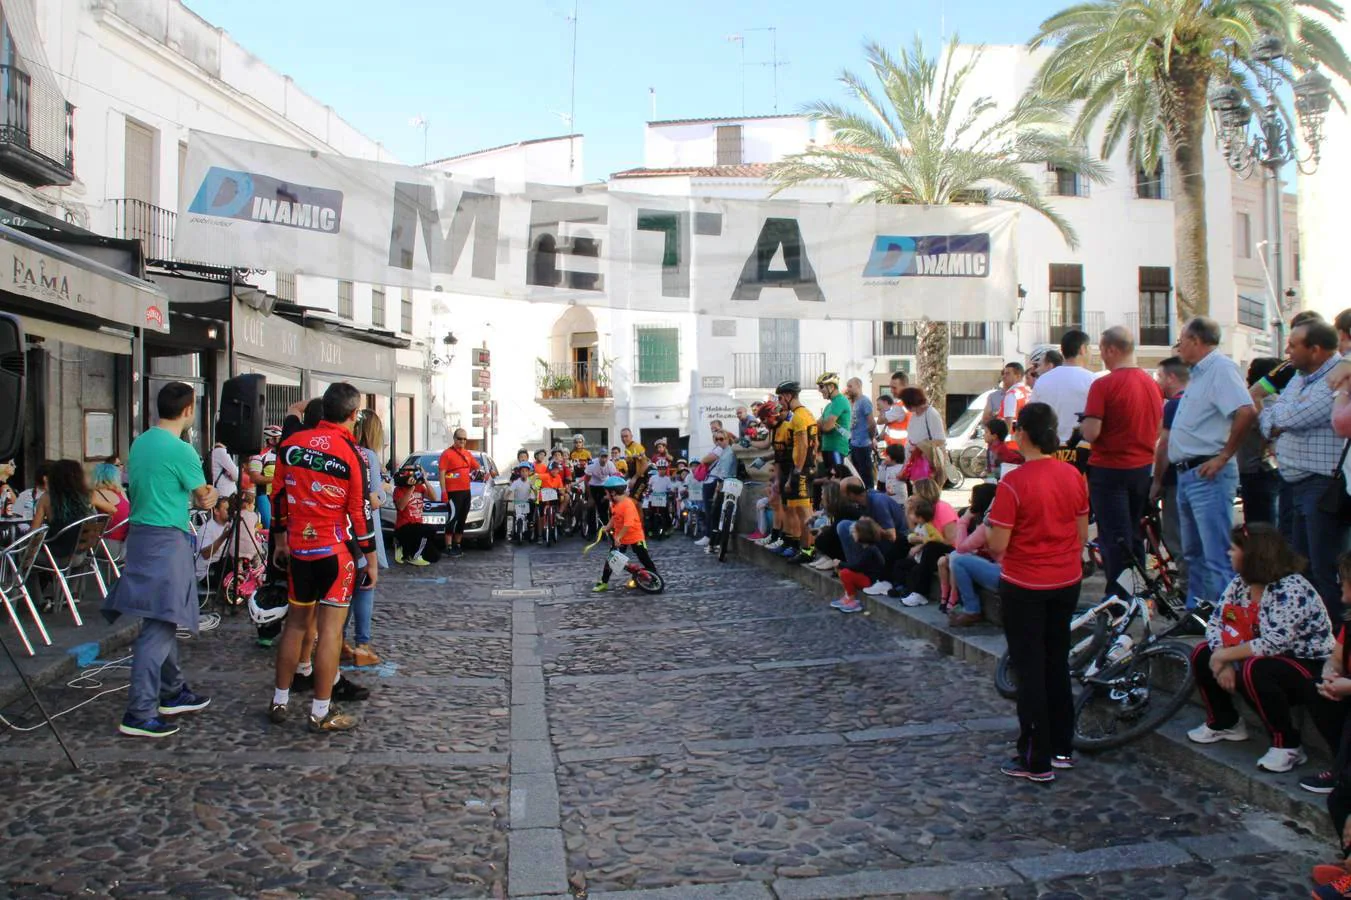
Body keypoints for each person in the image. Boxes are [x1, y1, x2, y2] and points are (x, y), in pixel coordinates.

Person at [101, 382, 217, 738]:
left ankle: (172, 691)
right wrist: (211, 494)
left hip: (141, 535)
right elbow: (203, 498)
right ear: (188, 410)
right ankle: (139, 711)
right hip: (168, 538)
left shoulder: (141, 442)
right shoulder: (182, 450)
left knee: (160, 616)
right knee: (162, 624)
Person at [985, 401, 1090, 781]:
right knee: (1056, 662)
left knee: (1029, 670)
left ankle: (1036, 757)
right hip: (1066, 581)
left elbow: (998, 544)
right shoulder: (1073, 475)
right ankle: (1063, 747)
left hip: (1026, 583)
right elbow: (1081, 534)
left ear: (1022, 433)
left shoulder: (1013, 482)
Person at [269, 382, 378, 734]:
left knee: (296, 626)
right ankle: (320, 710)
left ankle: (279, 700)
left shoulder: (290, 445)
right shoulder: (352, 454)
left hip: (299, 550)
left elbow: (279, 497)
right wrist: (371, 560)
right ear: (352, 415)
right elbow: (359, 513)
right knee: (330, 632)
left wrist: (282, 540)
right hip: (334, 551)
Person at [1186, 523, 1335, 773]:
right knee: (1203, 652)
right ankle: (1225, 722)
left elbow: (1275, 641)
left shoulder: (1291, 588)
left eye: (1234, 549)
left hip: (1304, 664)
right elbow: (1216, 621)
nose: (1229, 553)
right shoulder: (1239, 584)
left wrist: (1224, 656)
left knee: (1255, 668)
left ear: (1253, 555)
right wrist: (1221, 659)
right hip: (1257, 655)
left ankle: (1287, 744)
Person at [1257, 320, 1346, 620]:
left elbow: (1294, 417)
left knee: (1323, 567)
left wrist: (1279, 418)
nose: (1287, 350)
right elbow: (1273, 416)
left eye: (1293, 345)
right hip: (1294, 484)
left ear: (1316, 350)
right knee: (1299, 564)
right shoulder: (1298, 376)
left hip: (1321, 486)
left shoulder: (1334, 378)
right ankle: (1306, 629)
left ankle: (1333, 640)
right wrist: (1279, 418)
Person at [1169, 317, 1257, 607]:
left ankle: (1226, 620)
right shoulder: (1199, 374)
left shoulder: (1220, 369)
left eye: (1182, 340)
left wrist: (1223, 456)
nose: (1178, 346)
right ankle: (1200, 613)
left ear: (1196, 340)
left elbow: (1245, 410)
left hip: (1208, 474)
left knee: (1215, 553)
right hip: (1189, 473)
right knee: (1194, 552)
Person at [1079, 325, 1163, 597]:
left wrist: (1081, 428)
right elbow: (1159, 426)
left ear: (1111, 350)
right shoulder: (1152, 384)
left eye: (1102, 350)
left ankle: (1118, 597)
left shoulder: (1103, 385)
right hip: (1142, 468)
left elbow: (1092, 432)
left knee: (1114, 537)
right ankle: (1139, 589)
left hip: (1109, 468)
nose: (1101, 356)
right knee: (1134, 532)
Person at [348, 409, 388, 667]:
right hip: (364, 531)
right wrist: (385, 491)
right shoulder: (368, 456)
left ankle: (338, 641)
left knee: (343, 593)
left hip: (342, 531)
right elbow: (372, 500)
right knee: (365, 587)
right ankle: (362, 644)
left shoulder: (344, 451)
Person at [1149, 355, 1192, 595]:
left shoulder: (1175, 405)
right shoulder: (1197, 400)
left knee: (1176, 536)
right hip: (1196, 476)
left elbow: (1164, 445)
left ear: (1172, 377)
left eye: (1160, 377)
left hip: (1176, 479)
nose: (1158, 382)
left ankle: (1187, 590)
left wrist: (1157, 480)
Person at [891, 478, 959, 607]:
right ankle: (889, 581)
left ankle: (920, 593)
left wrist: (922, 545)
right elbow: (915, 531)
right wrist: (908, 510)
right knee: (902, 540)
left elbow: (951, 540)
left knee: (931, 547)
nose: (913, 496)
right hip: (929, 546)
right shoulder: (924, 509)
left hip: (947, 549)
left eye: (915, 493)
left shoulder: (942, 508)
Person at [943, 483, 1001, 626]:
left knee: (958, 559)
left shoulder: (990, 522)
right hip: (1015, 571)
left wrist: (964, 520)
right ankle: (956, 600)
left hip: (1006, 574)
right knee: (956, 557)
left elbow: (961, 548)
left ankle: (971, 609)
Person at [1031, 328, 1097, 450]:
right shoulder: (1093, 381)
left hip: (1050, 449)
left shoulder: (1043, 380)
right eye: (1090, 349)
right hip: (1082, 449)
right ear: (1083, 349)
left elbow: (1032, 415)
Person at [776, 380, 819, 564]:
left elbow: (801, 445)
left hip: (802, 468)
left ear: (788, 396)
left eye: (780, 398)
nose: (779, 402)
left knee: (804, 513)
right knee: (804, 511)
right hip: (808, 466)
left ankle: (808, 550)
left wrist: (797, 471)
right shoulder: (806, 413)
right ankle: (806, 548)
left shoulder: (799, 417)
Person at [593, 475, 658, 592]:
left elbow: (628, 524)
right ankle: (604, 582)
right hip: (621, 537)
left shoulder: (627, 505)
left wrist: (618, 538)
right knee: (611, 559)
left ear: (613, 492)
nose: (605, 495)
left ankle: (654, 578)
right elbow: (614, 516)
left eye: (606, 492)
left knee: (644, 558)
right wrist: (607, 527)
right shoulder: (614, 503)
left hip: (635, 536)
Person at [1237, 358, 1281, 526]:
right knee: (1264, 521)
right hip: (1263, 466)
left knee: (1260, 522)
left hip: (1257, 468)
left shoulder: (1253, 399)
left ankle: (1263, 552)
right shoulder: (1268, 399)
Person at [831, 518, 886, 614]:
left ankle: (851, 598)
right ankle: (848, 596)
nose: (852, 534)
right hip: (867, 576)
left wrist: (840, 564)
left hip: (870, 580)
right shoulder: (868, 548)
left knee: (845, 573)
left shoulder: (870, 550)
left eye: (855, 532)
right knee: (844, 572)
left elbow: (858, 566)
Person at [439, 428, 477, 557]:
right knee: (452, 518)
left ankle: (457, 544)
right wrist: (444, 492)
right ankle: (448, 546)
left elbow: (477, 467)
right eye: (460, 438)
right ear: (454, 439)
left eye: (465, 439)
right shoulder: (446, 454)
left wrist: (487, 473)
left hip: (466, 491)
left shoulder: (467, 454)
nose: (462, 441)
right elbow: (442, 473)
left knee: (462, 518)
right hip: (453, 492)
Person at [393, 464, 440, 565]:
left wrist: (425, 480)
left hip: (418, 524)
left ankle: (406, 550)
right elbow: (401, 507)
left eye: (412, 472)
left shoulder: (420, 488)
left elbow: (434, 498)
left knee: (434, 557)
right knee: (428, 529)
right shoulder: (399, 489)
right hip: (404, 526)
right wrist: (411, 488)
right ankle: (413, 556)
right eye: (407, 471)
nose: (410, 474)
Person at [817, 371, 852, 478]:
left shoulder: (840, 401)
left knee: (837, 481)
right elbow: (817, 425)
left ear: (831, 386)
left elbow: (827, 427)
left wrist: (825, 424)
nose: (819, 390)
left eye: (821, 387)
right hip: (827, 448)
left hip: (837, 448)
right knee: (828, 482)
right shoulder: (829, 406)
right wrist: (825, 424)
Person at [91, 461, 131, 554]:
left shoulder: (96, 494)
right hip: (126, 545)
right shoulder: (122, 493)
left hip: (109, 546)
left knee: (78, 547)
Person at [247, 425, 282, 529]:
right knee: (270, 527)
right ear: (269, 439)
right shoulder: (259, 455)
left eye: (280, 439)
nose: (279, 442)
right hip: (264, 495)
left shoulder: (283, 455)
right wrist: (277, 479)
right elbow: (254, 478)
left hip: (281, 496)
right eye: (276, 439)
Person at [845, 377, 876, 488]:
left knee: (866, 475)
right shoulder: (854, 402)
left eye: (850, 386)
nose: (848, 389)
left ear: (858, 386)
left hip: (863, 444)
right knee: (857, 473)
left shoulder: (865, 401)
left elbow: (872, 423)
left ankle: (869, 495)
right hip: (854, 444)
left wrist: (871, 439)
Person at [13, 460, 50, 526]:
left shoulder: (58, 496)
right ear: (45, 478)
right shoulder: (25, 495)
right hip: (29, 533)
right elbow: (16, 519)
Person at [997, 363, 1031, 428]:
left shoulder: (1012, 394)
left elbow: (1008, 422)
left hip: (1013, 436)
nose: (1004, 376)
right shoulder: (1029, 391)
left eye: (1007, 374)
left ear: (1018, 376)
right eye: (1003, 374)